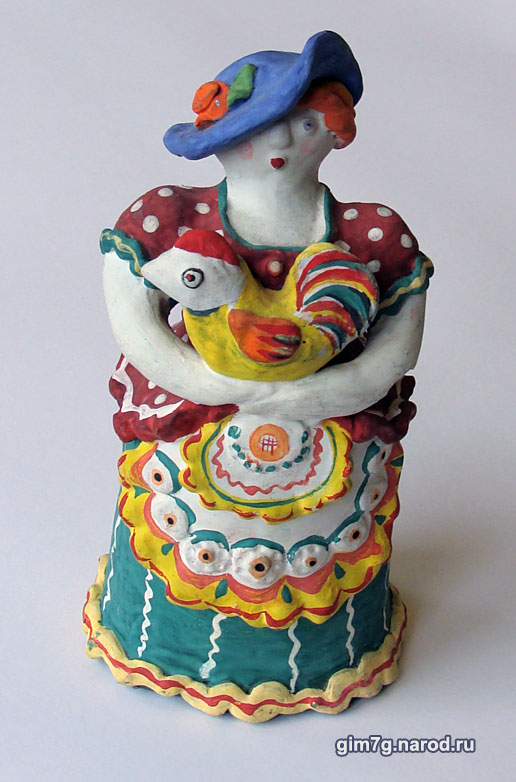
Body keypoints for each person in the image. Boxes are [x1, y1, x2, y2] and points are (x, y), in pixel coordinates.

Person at [86, 30, 433, 721]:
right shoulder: (169, 216)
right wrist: (211, 383)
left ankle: (331, 654)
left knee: (334, 519)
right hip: (197, 408)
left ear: (335, 128)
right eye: (254, 128)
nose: (277, 144)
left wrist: (319, 393)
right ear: (216, 140)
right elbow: (133, 316)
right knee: (178, 508)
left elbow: (397, 349)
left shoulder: (371, 234)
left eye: (302, 123)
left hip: (328, 416)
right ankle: (154, 638)